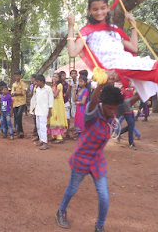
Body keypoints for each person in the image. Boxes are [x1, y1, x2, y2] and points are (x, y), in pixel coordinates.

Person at [66, 0, 158, 140]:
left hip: (129, 60)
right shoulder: (86, 31)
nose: (99, 12)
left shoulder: (114, 29)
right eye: (95, 9)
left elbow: (133, 48)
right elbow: (73, 51)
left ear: (108, 8)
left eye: (103, 8)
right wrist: (71, 26)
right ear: (89, 11)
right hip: (115, 65)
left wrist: (133, 26)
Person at [55, 83, 123, 231]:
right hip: (81, 158)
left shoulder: (112, 115)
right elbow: (92, 102)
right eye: (110, 108)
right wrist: (100, 85)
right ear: (101, 103)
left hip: (97, 160)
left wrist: (144, 92)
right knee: (72, 189)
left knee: (104, 196)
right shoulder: (91, 114)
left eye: (115, 108)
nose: (112, 112)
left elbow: (129, 103)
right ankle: (61, 211)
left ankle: (99, 226)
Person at [34, 75, 54, 150]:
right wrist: (34, 108)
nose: (36, 83)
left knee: (43, 127)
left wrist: (50, 110)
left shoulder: (48, 89)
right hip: (38, 110)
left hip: (44, 110)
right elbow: (36, 99)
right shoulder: (37, 89)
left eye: (37, 81)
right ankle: (41, 140)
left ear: (42, 82)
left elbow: (51, 100)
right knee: (38, 126)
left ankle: (45, 143)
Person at [47, 73, 68, 143]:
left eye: (56, 77)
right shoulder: (53, 85)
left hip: (57, 105)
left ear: (59, 79)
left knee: (56, 119)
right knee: (52, 118)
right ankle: (54, 135)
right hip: (53, 105)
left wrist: (48, 95)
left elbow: (55, 95)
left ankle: (59, 137)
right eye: (54, 76)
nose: (54, 78)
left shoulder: (59, 85)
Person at [11, 70, 27, 139]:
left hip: (22, 102)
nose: (17, 77)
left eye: (18, 75)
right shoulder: (14, 84)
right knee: (17, 117)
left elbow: (23, 93)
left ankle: (20, 131)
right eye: (16, 76)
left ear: (20, 76)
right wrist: (17, 93)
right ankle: (20, 131)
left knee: (18, 115)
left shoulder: (23, 84)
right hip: (16, 102)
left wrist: (15, 93)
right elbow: (12, 93)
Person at [60, 71, 72, 136]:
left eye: (65, 75)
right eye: (63, 75)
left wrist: (69, 85)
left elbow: (67, 93)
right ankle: (61, 131)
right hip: (60, 102)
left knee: (67, 117)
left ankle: (67, 131)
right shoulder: (58, 84)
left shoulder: (66, 84)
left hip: (65, 101)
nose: (64, 77)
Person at [29, 74, 38, 140]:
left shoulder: (39, 85)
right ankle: (36, 131)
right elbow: (31, 94)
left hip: (37, 102)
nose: (31, 80)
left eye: (32, 78)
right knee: (34, 117)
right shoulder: (32, 86)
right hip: (33, 101)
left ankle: (37, 133)